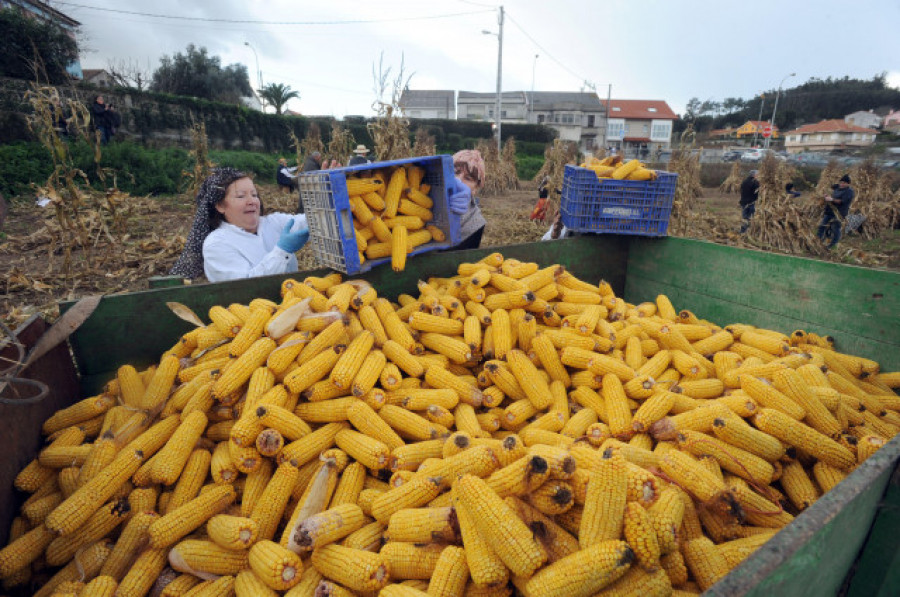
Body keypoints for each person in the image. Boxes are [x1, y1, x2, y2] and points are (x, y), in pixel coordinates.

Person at [170, 167, 309, 282]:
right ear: (220, 206)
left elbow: (313, 221)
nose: (252, 201)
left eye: (254, 195)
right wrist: (282, 251)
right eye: (241, 196)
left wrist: (327, 187)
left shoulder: (274, 223)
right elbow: (248, 285)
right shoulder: (217, 244)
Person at [447, 149, 487, 250]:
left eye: (468, 178)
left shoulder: (476, 223)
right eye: (456, 172)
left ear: (475, 189)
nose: (458, 180)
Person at [817, 174, 855, 249]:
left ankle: (832, 245)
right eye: (841, 182)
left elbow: (841, 201)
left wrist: (832, 199)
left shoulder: (849, 192)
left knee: (835, 228)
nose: (842, 184)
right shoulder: (837, 187)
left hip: (839, 213)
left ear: (848, 184)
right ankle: (818, 241)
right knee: (822, 226)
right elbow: (830, 187)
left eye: (844, 183)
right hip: (829, 211)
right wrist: (826, 195)